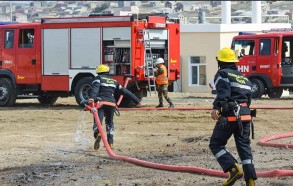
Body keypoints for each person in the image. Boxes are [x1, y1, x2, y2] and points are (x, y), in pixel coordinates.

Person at [209, 48, 257, 186]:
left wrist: (216, 107)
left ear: (220, 61)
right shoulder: (245, 78)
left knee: (216, 144)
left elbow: (224, 93)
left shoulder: (222, 73)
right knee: (244, 147)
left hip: (231, 115)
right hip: (246, 116)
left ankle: (233, 169)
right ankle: (251, 180)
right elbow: (248, 100)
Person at [88, 64, 141, 150]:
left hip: (100, 103)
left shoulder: (98, 78)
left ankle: (98, 133)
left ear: (99, 71)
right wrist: (136, 100)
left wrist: (91, 98)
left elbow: (95, 88)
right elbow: (125, 91)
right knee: (109, 123)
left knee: (97, 121)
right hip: (112, 104)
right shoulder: (113, 81)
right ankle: (110, 143)